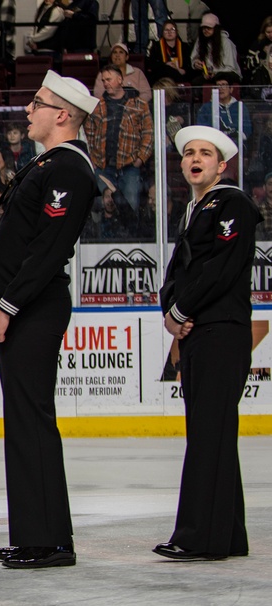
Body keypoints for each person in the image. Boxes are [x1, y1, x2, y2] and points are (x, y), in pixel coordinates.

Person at [0, 71, 98, 569]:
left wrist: (8, 305)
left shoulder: (68, 168)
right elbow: (19, 244)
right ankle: (36, 533)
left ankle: (46, 540)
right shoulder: (46, 165)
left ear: (62, 114)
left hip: (35, 306)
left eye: (37, 103)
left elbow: (47, 251)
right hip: (22, 304)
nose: (29, 110)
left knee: (31, 420)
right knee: (23, 420)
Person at [154, 126, 262, 562]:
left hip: (221, 331)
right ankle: (229, 534)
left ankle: (199, 536)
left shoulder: (231, 202)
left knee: (208, 435)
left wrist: (178, 311)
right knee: (210, 433)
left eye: (205, 153)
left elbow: (219, 269)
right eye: (189, 153)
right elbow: (179, 270)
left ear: (222, 165)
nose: (195, 158)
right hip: (203, 333)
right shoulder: (196, 209)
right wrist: (171, 308)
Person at [84, 64, 154, 211]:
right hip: (103, 166)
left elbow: (148, 133)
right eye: (103, 80)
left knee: (130, 206)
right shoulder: (96, 106)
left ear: (120, 80)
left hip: (129, 165)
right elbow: (88, 134)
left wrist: (140, 158)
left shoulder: (139, 104)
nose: (105, 83)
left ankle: (131, 234)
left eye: (109, 79)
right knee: (101, 208)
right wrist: (92, 158)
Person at [190, 13, 241, 85]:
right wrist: (195, 63)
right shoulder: (200, 40)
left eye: (209, 28)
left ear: (216, 28)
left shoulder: (226, 42)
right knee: (195, 82)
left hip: (227, 73)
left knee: (220, 77)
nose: (206, 30)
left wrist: (216, 73)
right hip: (208, 74)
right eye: (204, 28)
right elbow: (194, 57)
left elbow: (230, 67)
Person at [196, 78, 252, 144]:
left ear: (231, 89)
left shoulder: (240, 106)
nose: (220, 88)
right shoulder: (206, 108)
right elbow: (202, 129)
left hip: (236, 145)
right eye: (218, 85)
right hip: (214, 144)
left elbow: (247, 130)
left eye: (224, 85)